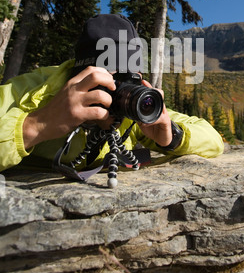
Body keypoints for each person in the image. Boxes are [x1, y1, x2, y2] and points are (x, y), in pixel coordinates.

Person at [0, 14, 224, 174]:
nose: (122, 94)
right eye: (111, 81)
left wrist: (171, 136)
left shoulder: (135, 108)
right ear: (79, 76)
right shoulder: (34, 90)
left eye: (130, 80)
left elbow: (213, 140)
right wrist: (37, 125)